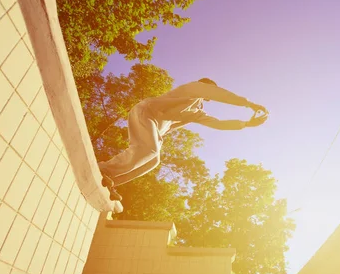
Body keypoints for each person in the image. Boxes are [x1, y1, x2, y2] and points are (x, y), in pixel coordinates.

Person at [98, 78, 269, 200]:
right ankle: (105, 169)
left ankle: (113, 180)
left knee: (153, 159)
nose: (209, 95)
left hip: (153, 126)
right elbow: (219, 94)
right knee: (149, 149)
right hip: (146, 112)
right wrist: (249, 104)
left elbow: (217, 124)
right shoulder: (193, 87)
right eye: (209, 90)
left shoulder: (196, 112)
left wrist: (246, 124)